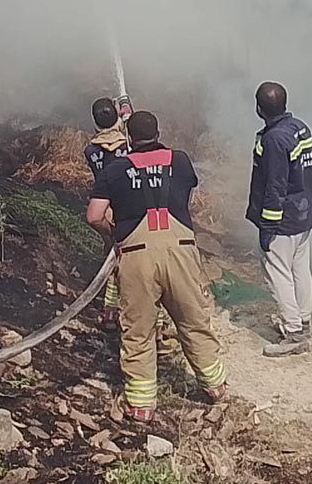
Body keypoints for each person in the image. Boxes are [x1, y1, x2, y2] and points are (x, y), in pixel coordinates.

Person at [86, 111, 226, 421]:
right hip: (180, 251)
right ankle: (215, 386)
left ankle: (141, 405)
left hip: (136, 255)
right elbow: (183, 191)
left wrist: (116, 233)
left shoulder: (115, 170)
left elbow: (94, 215)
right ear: (158, 132)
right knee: (193, 319)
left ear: (129, 138)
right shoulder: (181, 160)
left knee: (138, 331)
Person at [246, 82, 312, 357]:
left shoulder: (273, 139)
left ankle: (294, 333)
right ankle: (303, 321)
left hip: (283, 220)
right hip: (303, 213)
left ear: (259, 108)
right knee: (300, 270)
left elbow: (275, 185)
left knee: (278, 274)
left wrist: (268, 225)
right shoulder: (300, 128)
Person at [84, 98, 129, 328]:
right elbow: (131, 140)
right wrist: (126, 116)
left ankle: (110, 312)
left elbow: (109, 140)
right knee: (126, 261)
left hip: (107, 208)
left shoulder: (90, 150)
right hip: (130, 206)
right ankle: (155, 320)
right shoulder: (128, 144)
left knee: (111, 258)